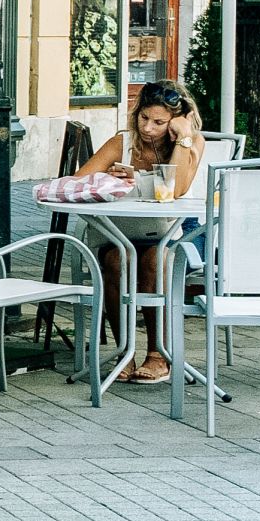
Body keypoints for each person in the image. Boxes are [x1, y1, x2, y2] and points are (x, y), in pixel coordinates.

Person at [81, 79, 205, 384]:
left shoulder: (191, 141)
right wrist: (110, 180)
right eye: (144, 118)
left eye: (159, 122)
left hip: (175, 233)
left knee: (152, 260)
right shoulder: (121, 143)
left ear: (177, 119)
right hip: (123, 231)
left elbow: (175, 189)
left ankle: (158, 354)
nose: (148, 128)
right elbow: (80, 180)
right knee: (114, 261)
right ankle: (125, 352)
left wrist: (183, 138)